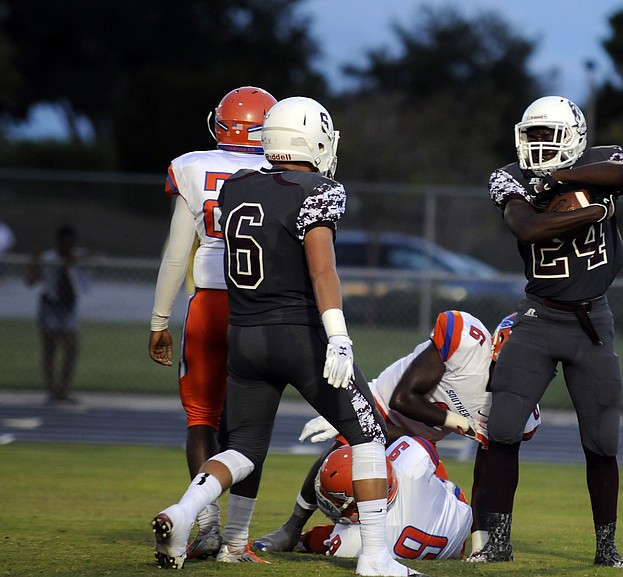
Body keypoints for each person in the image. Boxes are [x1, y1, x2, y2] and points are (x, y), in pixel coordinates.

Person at [150, 96, 421, 577]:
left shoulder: (236, 186)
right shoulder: (317, 189)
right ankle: (377, 558)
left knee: (242, 448)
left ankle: (185, 511)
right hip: (300, 336)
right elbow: (322, 271)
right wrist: (338, 335)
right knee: (368, 435)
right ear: (312, 139)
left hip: (245, 336)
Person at [466, 95, 623, 568]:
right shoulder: (510, 177)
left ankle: (607, 548)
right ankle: (498, 543)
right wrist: (592, 213)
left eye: (549, 136)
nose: (539, 146)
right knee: (501, 429)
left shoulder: (601, 161)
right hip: (539, 316)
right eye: (533, 135)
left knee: (602, 442)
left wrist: (560, 178)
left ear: (575, 138)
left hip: (592, 321)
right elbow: (526, 227)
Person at [254, 310, 540, 556]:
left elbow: (487, 479)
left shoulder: (518, 409)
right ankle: (292, 527)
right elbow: (402, 399)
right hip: (381, 408)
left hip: (420, 445)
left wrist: (481, 542)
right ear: (499, 347)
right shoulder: (465, 344)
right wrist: (459, 422)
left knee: (411, 516)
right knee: (341, 466)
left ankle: (332, 537)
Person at [148, 86, 276, 561]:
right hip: (261, 308)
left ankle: (205, 526)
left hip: (207, 305)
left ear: (220, 123)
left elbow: (176, 255)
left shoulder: (193, 166)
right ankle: (237, 541)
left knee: (201, 418)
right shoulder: (283, 169)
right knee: (250, 428)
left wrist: (160, 319)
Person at [298, 436, 472, 560]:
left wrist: (304, 539)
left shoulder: (349, 543)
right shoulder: (411, 468)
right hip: (457, 531)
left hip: (432, 544)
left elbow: (322, 540)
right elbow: (427, 446)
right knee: (429, 473)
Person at [26, 225, 90, 405]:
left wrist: (77, 258)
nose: (67, 247)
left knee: (71, 346)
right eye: (64, 244)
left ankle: (64, 389)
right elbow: (31, 281)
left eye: (71, 244)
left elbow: (99, 259)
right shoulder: (48, 258)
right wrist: (34, 263)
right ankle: (51, 391)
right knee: (50, 347)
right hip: (50, 306)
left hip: (69, 307)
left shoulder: (78, 256)